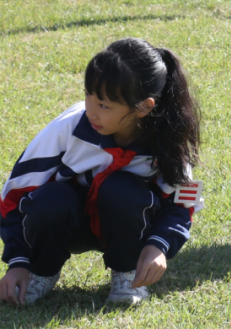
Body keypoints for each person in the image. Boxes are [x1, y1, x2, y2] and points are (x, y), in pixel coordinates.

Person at [0, 38, 203, 307]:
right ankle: (42, 271)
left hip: (129, 221)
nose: (91, 111)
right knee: (49, 200)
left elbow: (182, 202)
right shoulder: (68, 128)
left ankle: (127, 273)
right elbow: (14, 197)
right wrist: (19, 261)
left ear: (144, 107)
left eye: (104, 105)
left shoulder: (169, 136)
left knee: (121, 189)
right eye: (88, 95)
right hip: (70, 222)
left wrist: (159, 244)